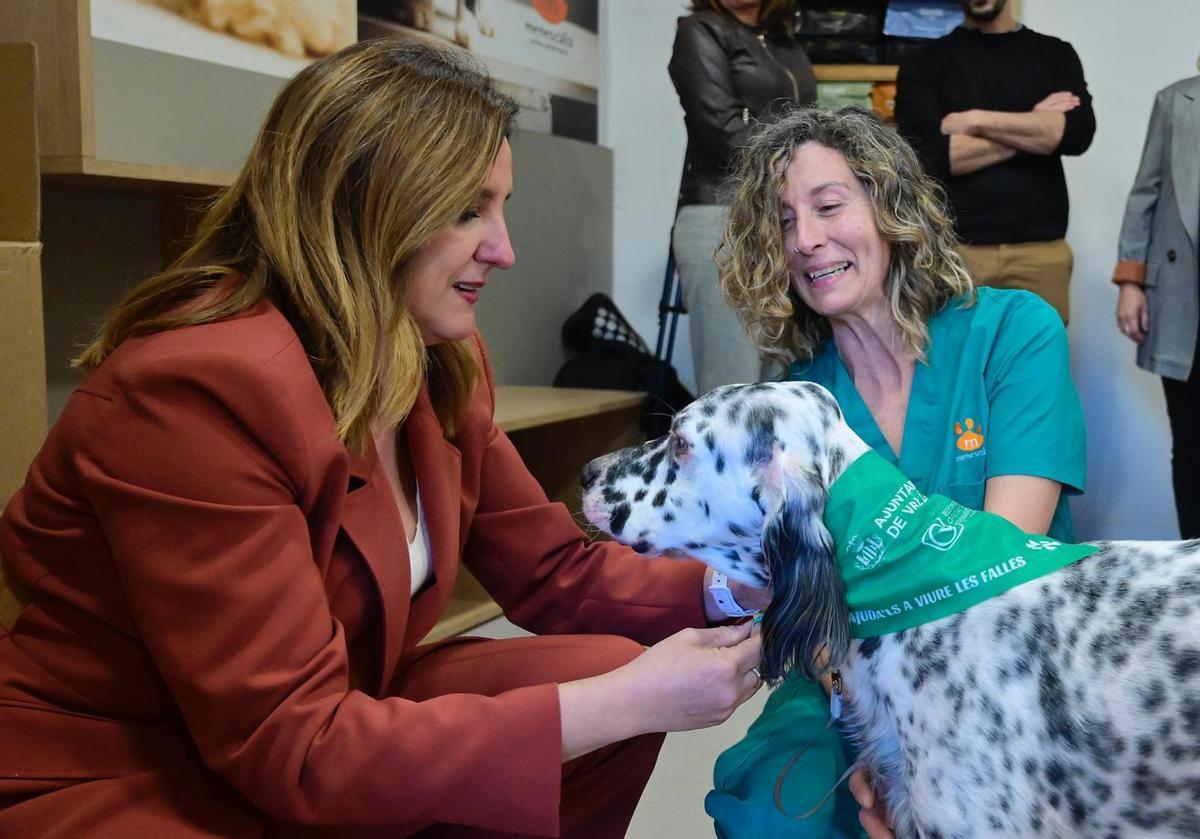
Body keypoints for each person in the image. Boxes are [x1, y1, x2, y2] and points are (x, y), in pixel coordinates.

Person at [0, 40, 771, 838]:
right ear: (365, 208)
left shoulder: (436, 358)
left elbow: (550, 568)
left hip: (321, 720)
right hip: (139, 768)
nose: (505, 249)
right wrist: (632, 698)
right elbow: (290, 743)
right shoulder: (195, 393)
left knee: (608, 678)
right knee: (613, 694)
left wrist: (743, 587)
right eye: (468, 210)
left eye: (501, 207)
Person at [707, 106, 1086, 838]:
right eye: (784, 222)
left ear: (890, 205)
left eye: (828, 206)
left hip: (1009, 661)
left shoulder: (1013, 332)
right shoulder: (797, 404)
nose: (807, 241)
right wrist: (879, 745)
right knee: (772, 813)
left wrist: (918, 760)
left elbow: (997, 573)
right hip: (850, 682)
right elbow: (811, 606)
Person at [894, 0, 1095, 323]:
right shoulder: (924, 62)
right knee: (957, 366)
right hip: (956, 253)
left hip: (1041, 254)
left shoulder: (1055, 54)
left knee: (1040, 367)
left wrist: (972, 120)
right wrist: (1035, 126)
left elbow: (1075, 135)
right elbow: (927, 156)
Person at [669, 0, 817, 395]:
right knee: (732, 392)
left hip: (779, 220)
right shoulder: (700, 30)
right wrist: (807, 157)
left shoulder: (783, 39)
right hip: (721, 219)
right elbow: (722, 133)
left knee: (783, 389)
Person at [1113, 71, 1200, 539]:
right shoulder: (1176, 101)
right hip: (1185, 299)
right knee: (1190, 444)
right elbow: (1145, 192)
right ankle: (1195, 564)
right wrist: (1131, 282)